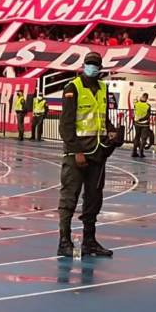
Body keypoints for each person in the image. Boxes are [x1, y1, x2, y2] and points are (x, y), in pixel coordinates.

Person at [57, 52, 119, 258]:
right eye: (89, 64)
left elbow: (102, 118)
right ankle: (64, 241)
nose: (92, 67)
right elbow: (66, 125)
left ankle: (89, 242)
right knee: (69, 198)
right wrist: (76, 151)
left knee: (94, 199)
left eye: (95, 64)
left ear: (100, 67)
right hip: (78, 153)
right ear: (84, 65)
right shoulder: (72, 88)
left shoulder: (103, 88)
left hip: (98, 153)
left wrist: (112, 131)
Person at [131, 93, 151, 158]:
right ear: (147, 98)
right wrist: (141, 119)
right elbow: (148, 116)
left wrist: (137, 119)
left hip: (137, 123)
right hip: (144, 124)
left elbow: (134, 112)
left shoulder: (136, 104)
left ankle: (134, 152)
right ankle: (141, 152)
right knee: (143, 138)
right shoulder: (148, 106)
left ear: (142, 97)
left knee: (137, 137)